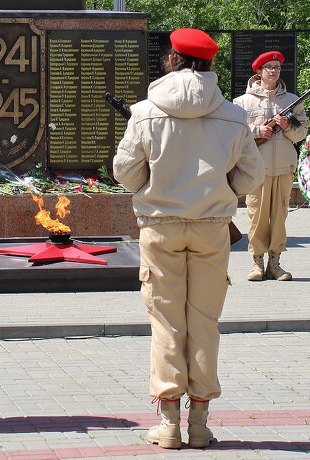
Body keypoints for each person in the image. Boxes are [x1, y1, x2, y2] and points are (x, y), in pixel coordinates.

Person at [113, 28, 264, 450]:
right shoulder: (234, 115)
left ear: (172, 59)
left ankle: (168, 424)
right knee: (204, 322)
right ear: (210, 63)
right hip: (212, 228)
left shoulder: (145, 112)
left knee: (166, 321)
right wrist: (220, 188)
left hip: (160, 227)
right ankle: (199, 422)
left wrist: (156, 183)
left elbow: (125, 173)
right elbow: (251, 176)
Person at [232, 50, 308, 282]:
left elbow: (301, 133)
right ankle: (257, 264)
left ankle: (275, 264)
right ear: (259, 71)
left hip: (284, 167)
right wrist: (258, 130)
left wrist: (287, 126)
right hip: (257, 169)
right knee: (256, 217)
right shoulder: (242, 103)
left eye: (277, 67)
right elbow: (235, 135)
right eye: (269, 67)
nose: (274, 71)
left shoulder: (291, 101)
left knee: (278, 217)